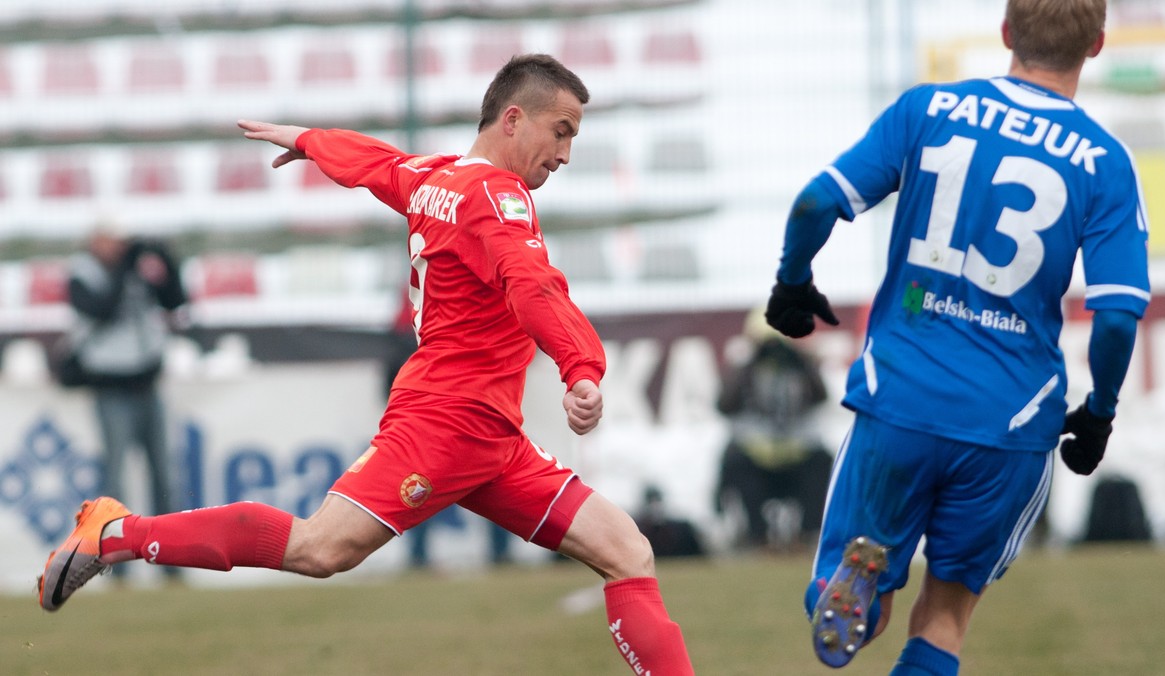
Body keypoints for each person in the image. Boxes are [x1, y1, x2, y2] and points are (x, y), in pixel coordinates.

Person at [37, 54, 694, 675]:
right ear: (513, 119)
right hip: (445, 424)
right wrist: (580, 367)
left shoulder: (439, 179)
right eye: (561, 131)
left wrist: (315, 141)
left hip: (492, 437)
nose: (566, 153)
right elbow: (534, 283)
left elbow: (383, 167)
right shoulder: (496, 197)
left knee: (627, 550)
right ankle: (115, 533)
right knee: (320, 547)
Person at [765, 1, 1148, 673]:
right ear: (1096, 45)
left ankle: (849, 584)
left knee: (863, 599)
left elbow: (815, 202)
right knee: (945, 615)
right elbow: (1117, 315)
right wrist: (1100, 413)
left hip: (900, 395)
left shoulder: (928, 110)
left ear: (1006, 33)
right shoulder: (1105, 162)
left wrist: (792, 281)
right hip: (1010, 418)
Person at [64, 225, 188, 581]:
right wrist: (128, 266)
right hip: (110, 388)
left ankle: (174, 562)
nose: (118, 248)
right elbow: (101, 308)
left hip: (148, 383)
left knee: (164, 474)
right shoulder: (81, 277)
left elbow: (175, 301)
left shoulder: (137, 273)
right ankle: (116, 567)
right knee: (116, 479)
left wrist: (166, 260)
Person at [715, 310, 832, 550]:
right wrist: (750, 363)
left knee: (823, 460)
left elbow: (822, 396)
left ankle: (807, 533)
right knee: (735, 460)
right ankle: (758, 536)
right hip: (758, 460)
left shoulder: (801, 367)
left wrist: (802, 361)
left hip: (797, 456)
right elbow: (724, 405)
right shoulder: (744, 371)